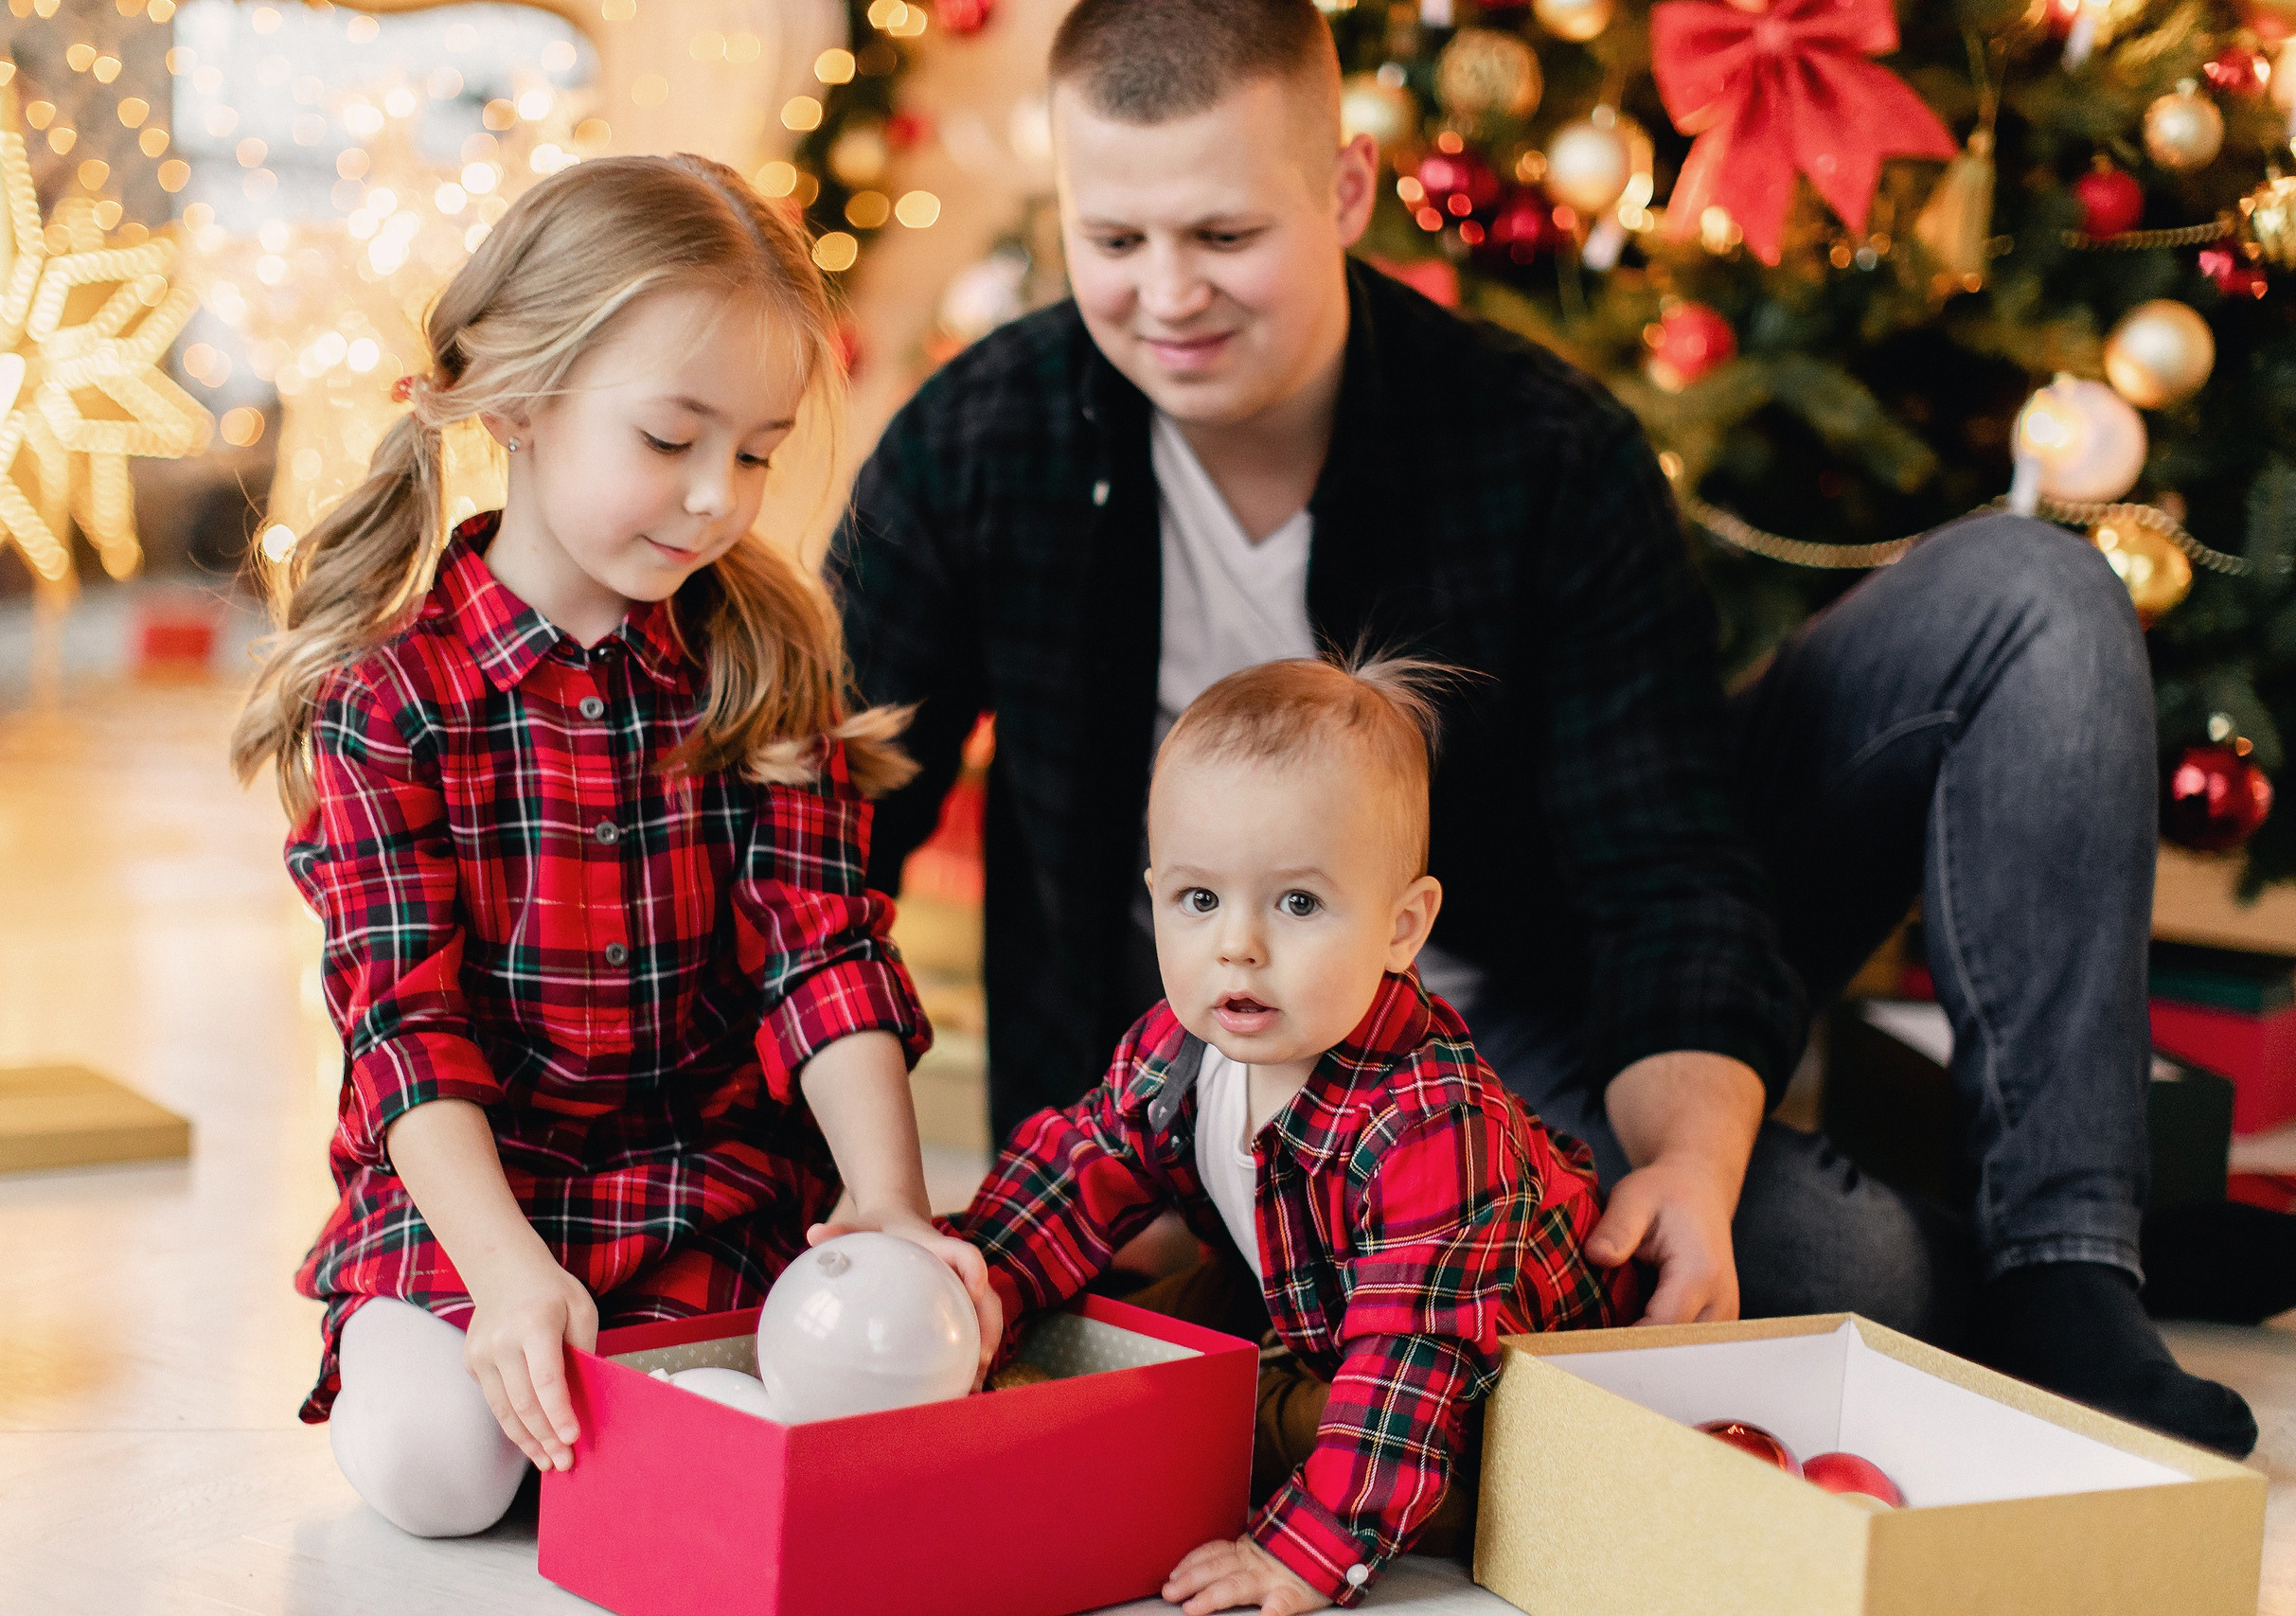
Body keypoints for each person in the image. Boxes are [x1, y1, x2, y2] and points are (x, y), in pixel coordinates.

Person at [830, 0, 2257, 1456]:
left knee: (2036, 585)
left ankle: (2070, 1265)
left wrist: (1691, 1166)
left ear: (1345, 191)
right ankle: (2031, 1256)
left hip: (1513, 1053)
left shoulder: (1537, 444)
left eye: (1223, 236)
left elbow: (1665, 864)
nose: (1167, 296)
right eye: (1114, 241)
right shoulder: (977, 440)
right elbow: (821, 836)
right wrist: (863, 1181)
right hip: (1211, 1076)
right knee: (1856, 1269)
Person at [233, 155, 999, 1538]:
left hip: (703, 1182)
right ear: (520, 399)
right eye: (670, 439)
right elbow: (406, 1028)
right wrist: (510, 1273)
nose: (717, 497)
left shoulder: (761, 661)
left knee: (876, 1348)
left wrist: (889, 1201)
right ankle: (532, 1370)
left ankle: (647, 1387)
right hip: (472, 1196)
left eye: (757, 451)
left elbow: (823, 954)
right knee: (434, 1469)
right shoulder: (391, 697)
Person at [954, 657, 1640, 1615]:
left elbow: (1413, 1365)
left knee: (1255, 1428)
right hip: (1305, 1296)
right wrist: (977, 1278)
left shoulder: (1429, 1123)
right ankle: (1063, 1396)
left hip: (1489, 1381)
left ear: (1401, 927)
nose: (1236, 945)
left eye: (1298, 904)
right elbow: (1079, 1167)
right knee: (1122, 1328)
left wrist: (1308, 1552)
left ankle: (1225, 1461)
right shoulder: (1181, 1046)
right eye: (1199, 901)